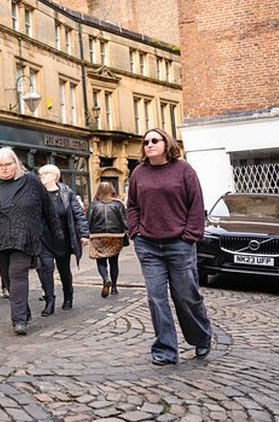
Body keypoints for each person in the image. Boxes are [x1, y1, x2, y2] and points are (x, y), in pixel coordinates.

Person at [127, 127, 213, 366]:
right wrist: (135, 232)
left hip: (179, 244)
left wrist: (189, 236)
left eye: (155, 140)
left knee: (186, 296)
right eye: (146, 142)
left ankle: (200, 337)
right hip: (148, 246)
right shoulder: (139, 173)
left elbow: (196, 205)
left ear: (167, 143)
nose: (149, 145)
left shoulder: (183, 170)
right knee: (156, 298)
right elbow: (132, 205)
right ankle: (165, 349)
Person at [0, 147, 62, 335]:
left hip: (24, 236)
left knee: (18, 274)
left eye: (8, 164)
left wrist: (57, 234)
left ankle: (19, 321)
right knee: (7, 277)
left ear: (16, 164)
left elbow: (47, 207)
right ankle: (24, 311)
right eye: (0, 165)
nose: (4, 168)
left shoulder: (30, 181)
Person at [36, 164, 89, 316]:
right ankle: (49, 301)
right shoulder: (37, 193)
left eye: (45, 174)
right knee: (46, 269)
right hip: (44, 239)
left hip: (63, 239)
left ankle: (68, 296)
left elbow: (78, 214)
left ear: (54, 176)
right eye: (41, 174)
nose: (42, 177)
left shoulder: (67, 193)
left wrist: (84, 234)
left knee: (64, 270)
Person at [87, 181, 128, 298]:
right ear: (112, 191)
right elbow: (124, 220)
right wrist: (128, 231)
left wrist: (85, 234)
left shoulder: (94, 205)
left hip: (98, 236)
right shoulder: (118, 204)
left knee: (101, 261)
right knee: (114, 262)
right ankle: (114, 287)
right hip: (116, 236)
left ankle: (105, 279)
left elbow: (88, 220)